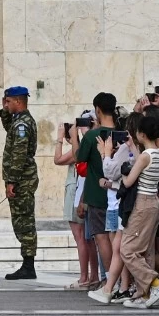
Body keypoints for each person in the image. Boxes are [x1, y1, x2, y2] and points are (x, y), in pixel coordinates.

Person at [116, 113, 159, 309]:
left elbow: (129, 181)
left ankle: (154, 284)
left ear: (142, 134)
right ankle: (144, 294)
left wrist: (122, 173)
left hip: (142, 205)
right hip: (154, 204)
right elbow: (143, 163)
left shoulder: (146, 156)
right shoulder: (158, 153)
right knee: (146, 251)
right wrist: (132, 148)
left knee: (127, 250)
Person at [90, 114, 137, 304]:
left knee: (120, 247)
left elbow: (112, 171)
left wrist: (105, 154)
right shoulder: (129, 148)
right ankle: (120, 286)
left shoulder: (130, 149)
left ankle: (122, 286)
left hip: (120, 204)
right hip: (115, 203)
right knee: (118, 246)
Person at [77, 93, 121, 292]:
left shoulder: (91, 136)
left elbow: (80, 158)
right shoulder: (122, 132)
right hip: (120, 193)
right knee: (118, 238)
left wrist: (74, 137)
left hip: (97, 194)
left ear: (97, 110)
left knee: (102, 237)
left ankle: (111, 280)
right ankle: (121, 281)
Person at [0, 86, 39, 280]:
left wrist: (12, 181)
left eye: (8, 102)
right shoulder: (19, 121)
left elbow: (19, 154)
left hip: (22, 180)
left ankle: (28, 266)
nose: (6, 105)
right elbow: (9, 129)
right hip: (22, 180)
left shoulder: (22, 124)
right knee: (21, 221)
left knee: (25, 222)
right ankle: (27, 264)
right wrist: (5, 111)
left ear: (18, 101)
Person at [55, 118, 97, 289]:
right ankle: (91, 276)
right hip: (78, 191)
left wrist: (60, 138)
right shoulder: (83, 148)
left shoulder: (78, 150)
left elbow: (57, 159)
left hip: (76, 192)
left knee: (80, 238)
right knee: (86, 238)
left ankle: (84, 277)